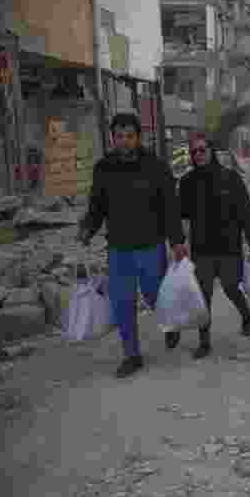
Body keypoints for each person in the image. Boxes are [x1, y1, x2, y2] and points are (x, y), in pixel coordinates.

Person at [77, 113, 188, 378]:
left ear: (138, 137)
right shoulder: (104, 168)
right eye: (119, 136)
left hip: (150, 246)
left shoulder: (155, 166)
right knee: (122, 303)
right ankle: (131, 354)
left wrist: (177, 241)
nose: (124, 141)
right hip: (118, 250)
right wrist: (87, 229)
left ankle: (170, 325)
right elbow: (97, 206)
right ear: (112, 138)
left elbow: (169, 207)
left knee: (154, 296)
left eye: (129, 136)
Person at [178, 132, 250, 359]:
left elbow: (245, 212)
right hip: (201, 250)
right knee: (203, 296)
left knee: (230, 288)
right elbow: (182, 217)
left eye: (202, 150)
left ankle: (246, 315)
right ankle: (204, 341)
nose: (198, 155)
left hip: (229, 247)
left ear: (211, 151)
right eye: (194, 151)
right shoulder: (187, 183)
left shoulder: (230, 178)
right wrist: (179, 244)